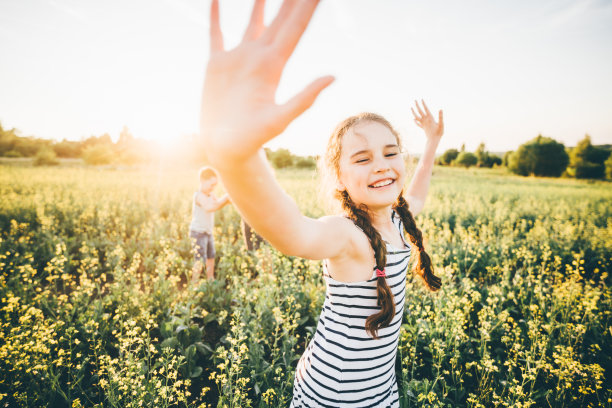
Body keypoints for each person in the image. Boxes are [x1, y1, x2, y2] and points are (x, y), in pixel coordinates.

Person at [200, 1, 443, 406]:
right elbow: (293, 233)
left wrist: (432, 141)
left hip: (381, 394)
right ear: (341, 178)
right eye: (363, 158)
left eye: (391, 152)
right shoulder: (345, 234)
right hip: (329, 396)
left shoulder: (399, 220)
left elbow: (416, 192)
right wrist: (234, 159)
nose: (382, 166)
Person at [189, 166, 230, 282]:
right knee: (199, 260)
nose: (213, 188)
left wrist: (227, 200)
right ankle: (194, 283)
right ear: (202, 181)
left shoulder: (210, 195)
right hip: (198, 233)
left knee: (211, 256)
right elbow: (210, 207)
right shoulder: (198, 196)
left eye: (215, 185)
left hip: (208, 232)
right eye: (211, 185)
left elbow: (217, 204)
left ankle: (210, 279)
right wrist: (226, 198)